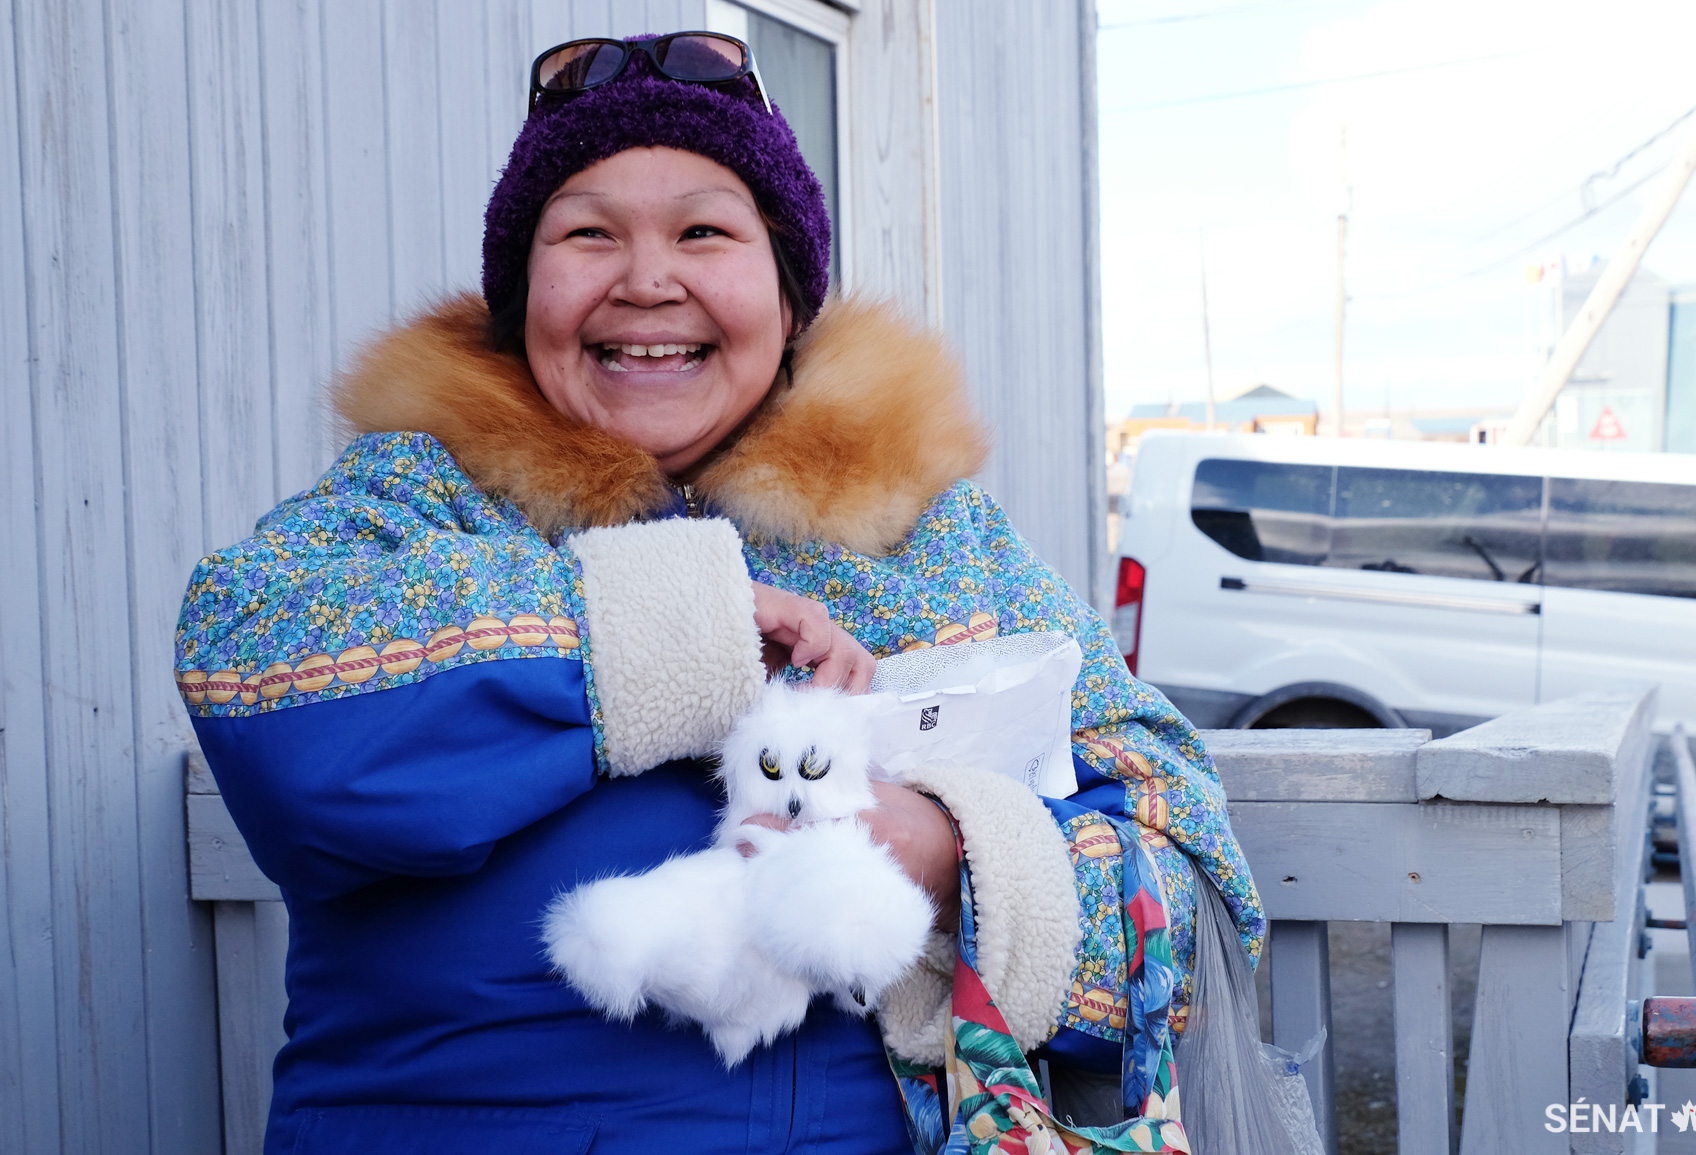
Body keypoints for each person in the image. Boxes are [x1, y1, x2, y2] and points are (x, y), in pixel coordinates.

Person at [174, 31, 1264, 1154]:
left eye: (704, 231)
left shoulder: (930, 539)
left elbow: (1185, 882)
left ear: (788, 300)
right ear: (521, 297)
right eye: (587, 233)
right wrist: (678, 632)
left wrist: (945, 855)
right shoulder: (414, 498)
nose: (647, 281)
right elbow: (262, 691)